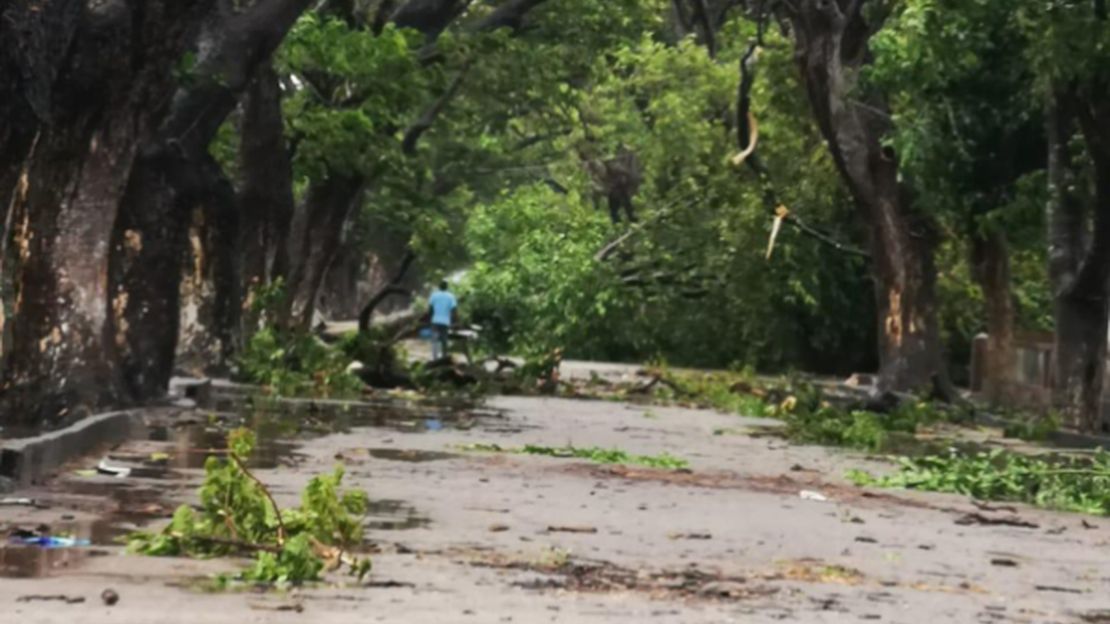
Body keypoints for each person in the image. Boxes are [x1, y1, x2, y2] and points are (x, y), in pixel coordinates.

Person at [427, 280, 457, 361]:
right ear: (447, 287)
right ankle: (444, 358)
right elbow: (454, 310)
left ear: (439, 287)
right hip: (445, 322)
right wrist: (455, 322)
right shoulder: (451, 296)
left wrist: (428, 319)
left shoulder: (434, 295)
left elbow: (430, 310)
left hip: (435, 321)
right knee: (444, 340)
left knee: (435, 340)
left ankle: (435, 358)